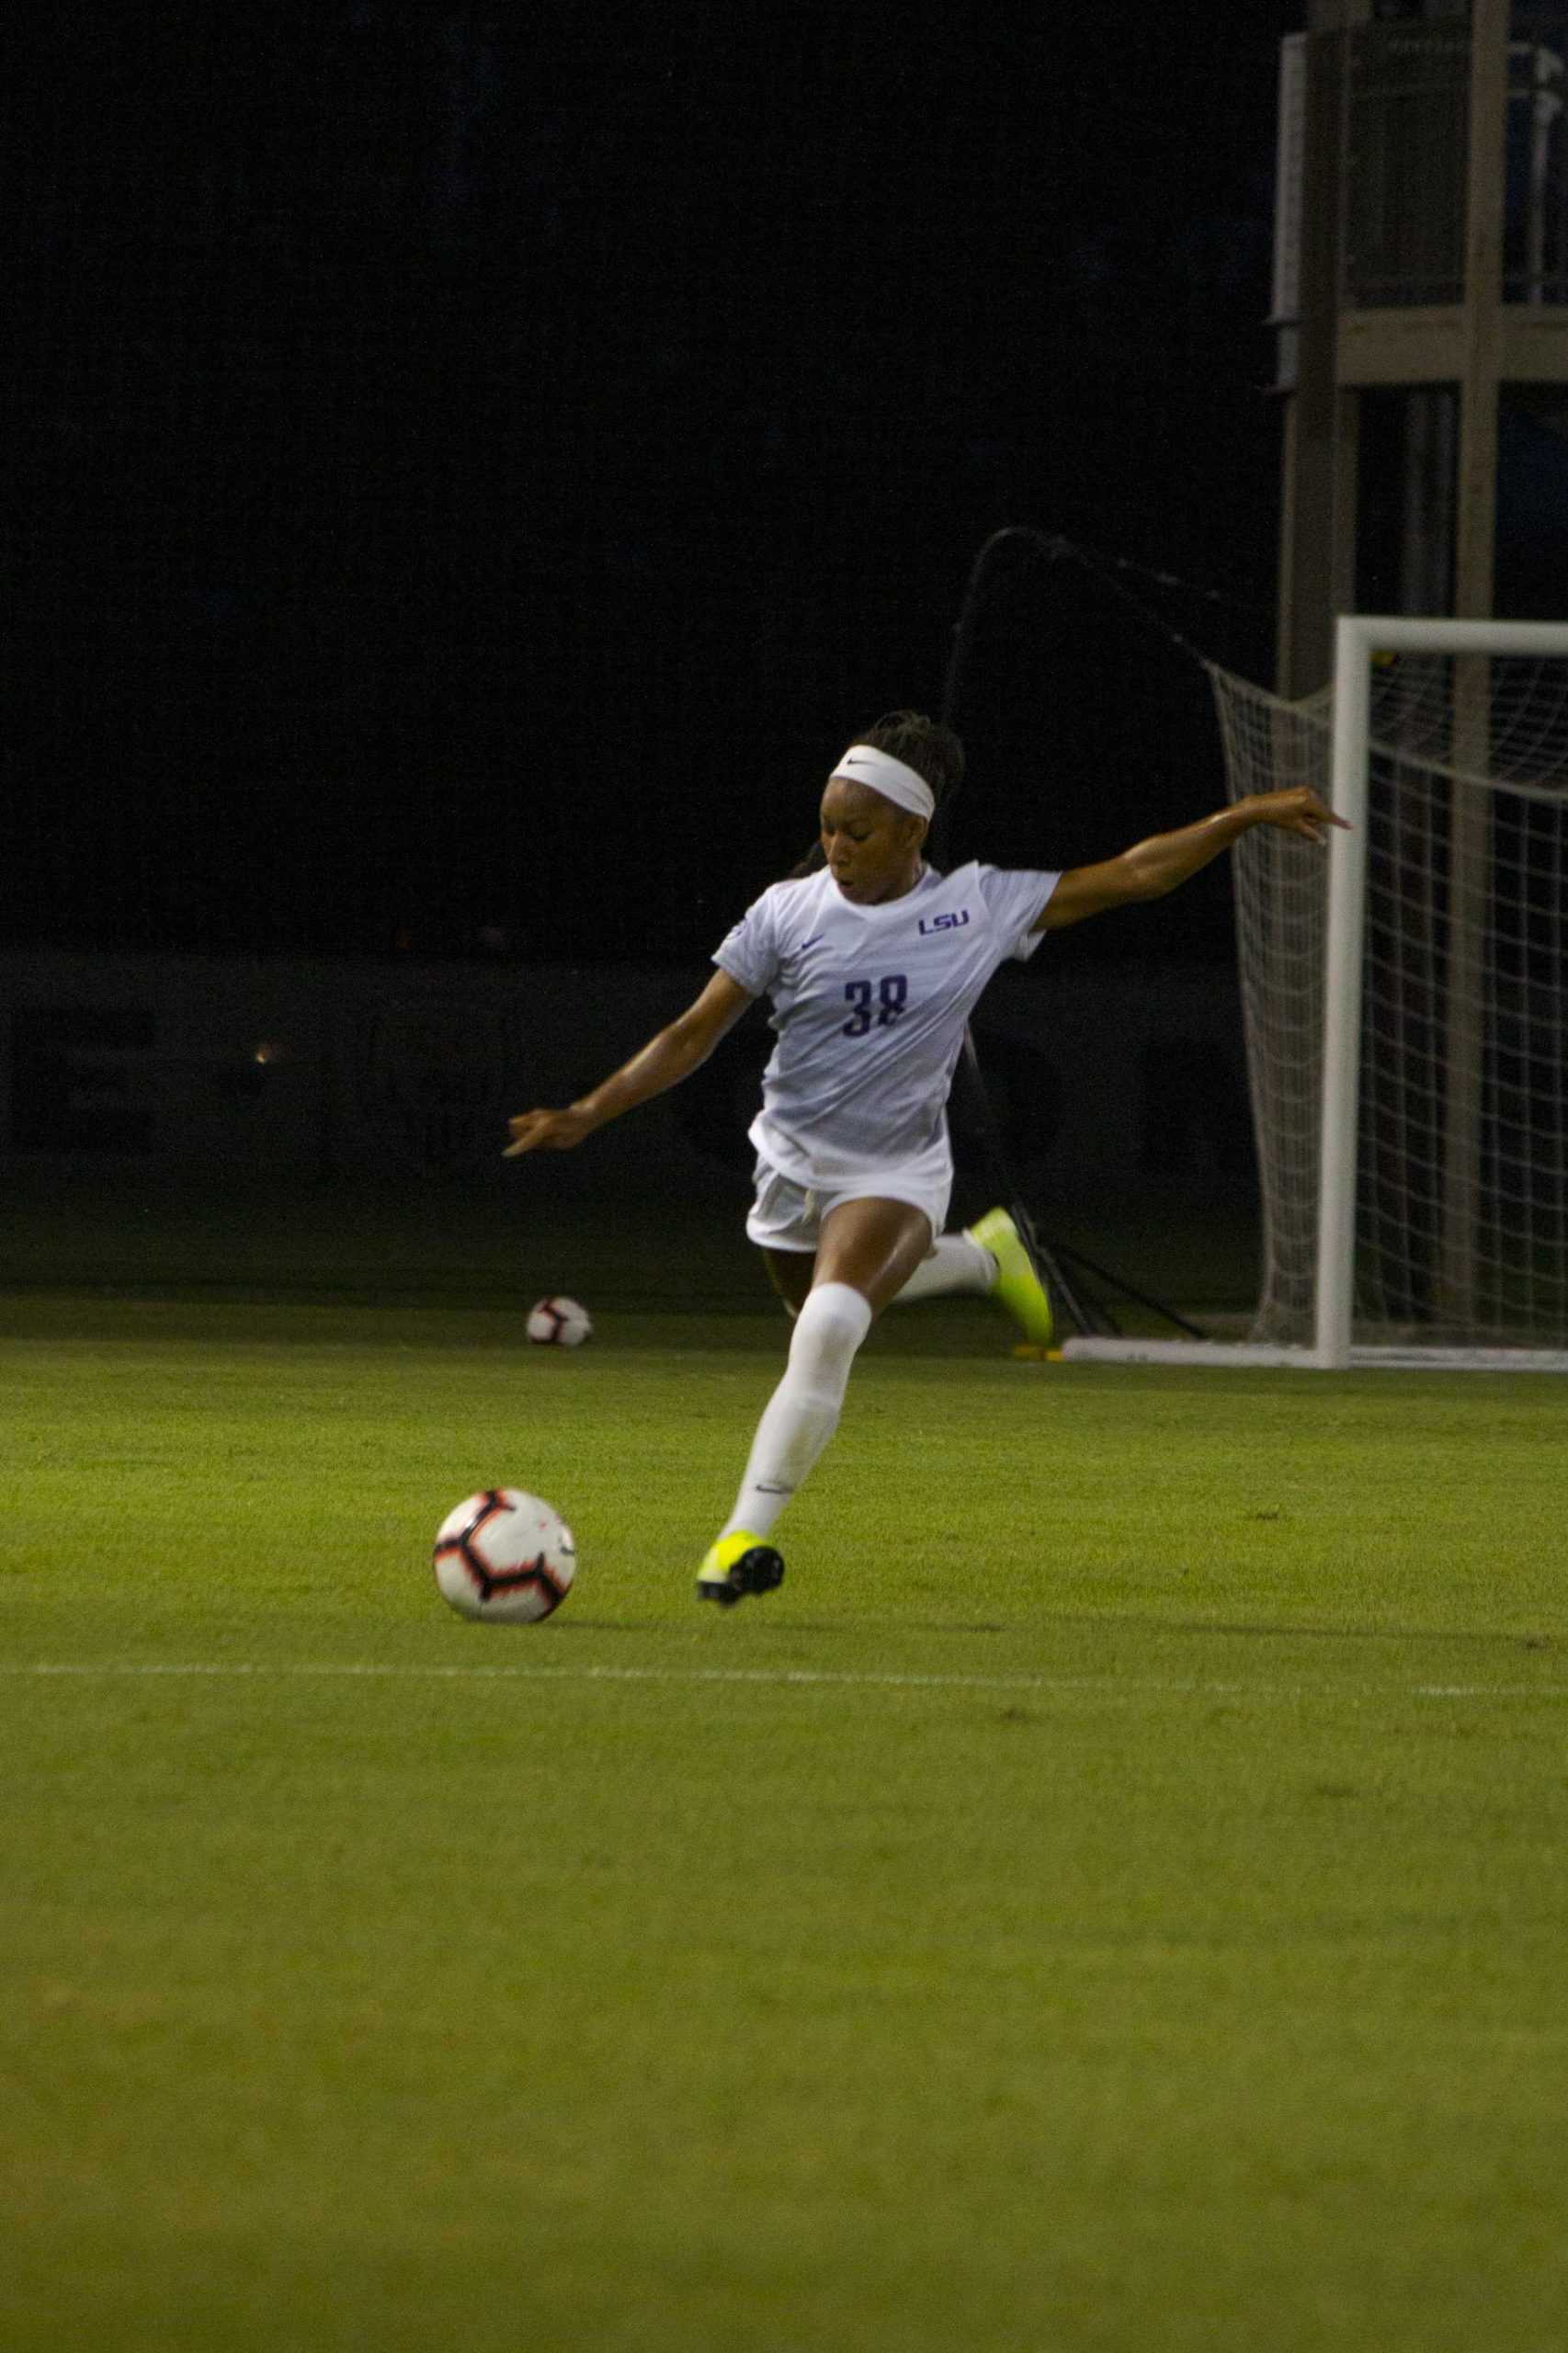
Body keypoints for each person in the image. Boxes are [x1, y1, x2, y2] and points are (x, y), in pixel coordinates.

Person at [505, 710, 1346, 1607]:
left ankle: (737, 1537)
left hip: (896, 1173)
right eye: (827, 826)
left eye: (856, 831)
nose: (835, 845)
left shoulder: (972, 904)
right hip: (788, 1164)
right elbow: (690, 1034)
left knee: (826, 1327)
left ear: (912, 830)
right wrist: (588, 1111)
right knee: (827, 1298)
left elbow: (1131, 876)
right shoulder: (785, 912)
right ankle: (987, 1256)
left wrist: (1237, 817)